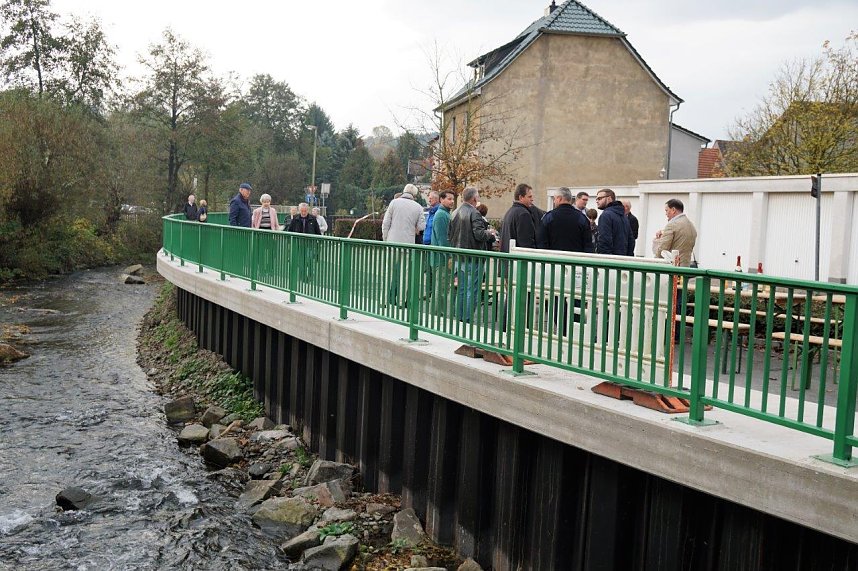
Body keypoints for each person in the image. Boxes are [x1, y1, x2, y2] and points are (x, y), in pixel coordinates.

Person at [448, 187, 497, 322]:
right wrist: (490, 233)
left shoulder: (454, 213)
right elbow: (479, 234)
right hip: (473, 257)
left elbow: (450, 235)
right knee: (472, 290)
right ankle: (467, 320)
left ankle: (460, 318)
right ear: (474, 198)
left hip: (459, 256)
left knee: (462, 290)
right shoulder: (474, 213)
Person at [382, 184, 426, 306]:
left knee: (388, 272)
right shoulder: (418, 207)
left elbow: (386, 223)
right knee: (404, 274)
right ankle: (401, 301)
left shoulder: (394, 203)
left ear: (404, 191)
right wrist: (414, 229)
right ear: (414, 195)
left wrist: (386, 238)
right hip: (408, 243)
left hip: (392, 242)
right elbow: (422, 226)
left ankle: (384, 300)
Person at [537, 187, 593, 252]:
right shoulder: (582, 218)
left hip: (553, 259)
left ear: (559, 198)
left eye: (554, 199)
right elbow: (588, 245)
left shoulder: (548, 217)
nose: (554, 201)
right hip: (576, 259)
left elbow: (541, 243)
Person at [429, 191, 455, 316]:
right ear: (441, 200)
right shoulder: (441, 215)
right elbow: (442, 239)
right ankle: (437, 315)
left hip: (441, 257)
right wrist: (449, 256)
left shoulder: (443, 214)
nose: (452, 201)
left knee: (442, 288)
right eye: (449, 199)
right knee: (441, 289)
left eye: (453, 199)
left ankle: (437, 314)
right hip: (441, 259)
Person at [652, 199, 698, 266]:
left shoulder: (671, 225)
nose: (666, 213)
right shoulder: (691, 225)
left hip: (673, 267)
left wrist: (655, 259)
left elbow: (662, 249)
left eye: (666, 210)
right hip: (686, 267)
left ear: (673, 210)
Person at [595, 188, 634, 256]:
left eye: (600, 198)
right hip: (622, 260)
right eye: (596, 199)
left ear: (609, 198)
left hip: (609, 261)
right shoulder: (624, 216)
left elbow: (604, 240)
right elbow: (631, 240)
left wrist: (604, 259)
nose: (597, 201)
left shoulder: (606, 215)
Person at [500, 183, 538, 253]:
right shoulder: (524, 214)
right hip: (517, 261)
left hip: (507, 258)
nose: (532, 199)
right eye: (529, 197)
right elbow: (526, 243)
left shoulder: (509, 212)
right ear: (521, 197)